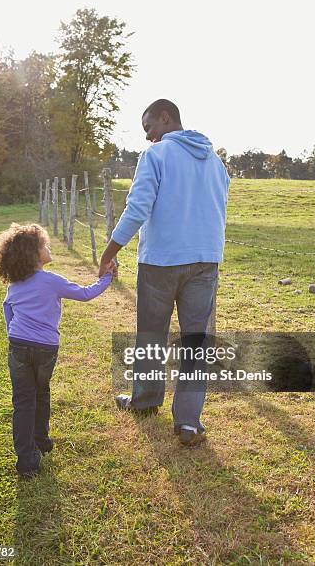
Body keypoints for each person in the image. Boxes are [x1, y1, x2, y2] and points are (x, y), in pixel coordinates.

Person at [99, 99, 229, 446]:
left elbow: (138, 207)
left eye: (149, 128)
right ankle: (188, 423)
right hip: (205, 260)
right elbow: (219, 210)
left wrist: (109, 252)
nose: (148, 137)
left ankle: (144, 400)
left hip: (161, 261)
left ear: (165, 118)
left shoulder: (155, 157)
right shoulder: (216, 162)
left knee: (151, 336)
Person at [0, 223, 114, 478]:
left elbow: (8, 311)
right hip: (46, 349)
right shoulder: (52, 281)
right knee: (41, 392)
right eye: (44, 245)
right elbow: (85, 294)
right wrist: (108, 278)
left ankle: (26, 461)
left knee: (22, 401)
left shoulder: (14, 285)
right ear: (34, 255)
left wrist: (15, 335)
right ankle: (41, 441)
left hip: (18, 346)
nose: (49, 247)